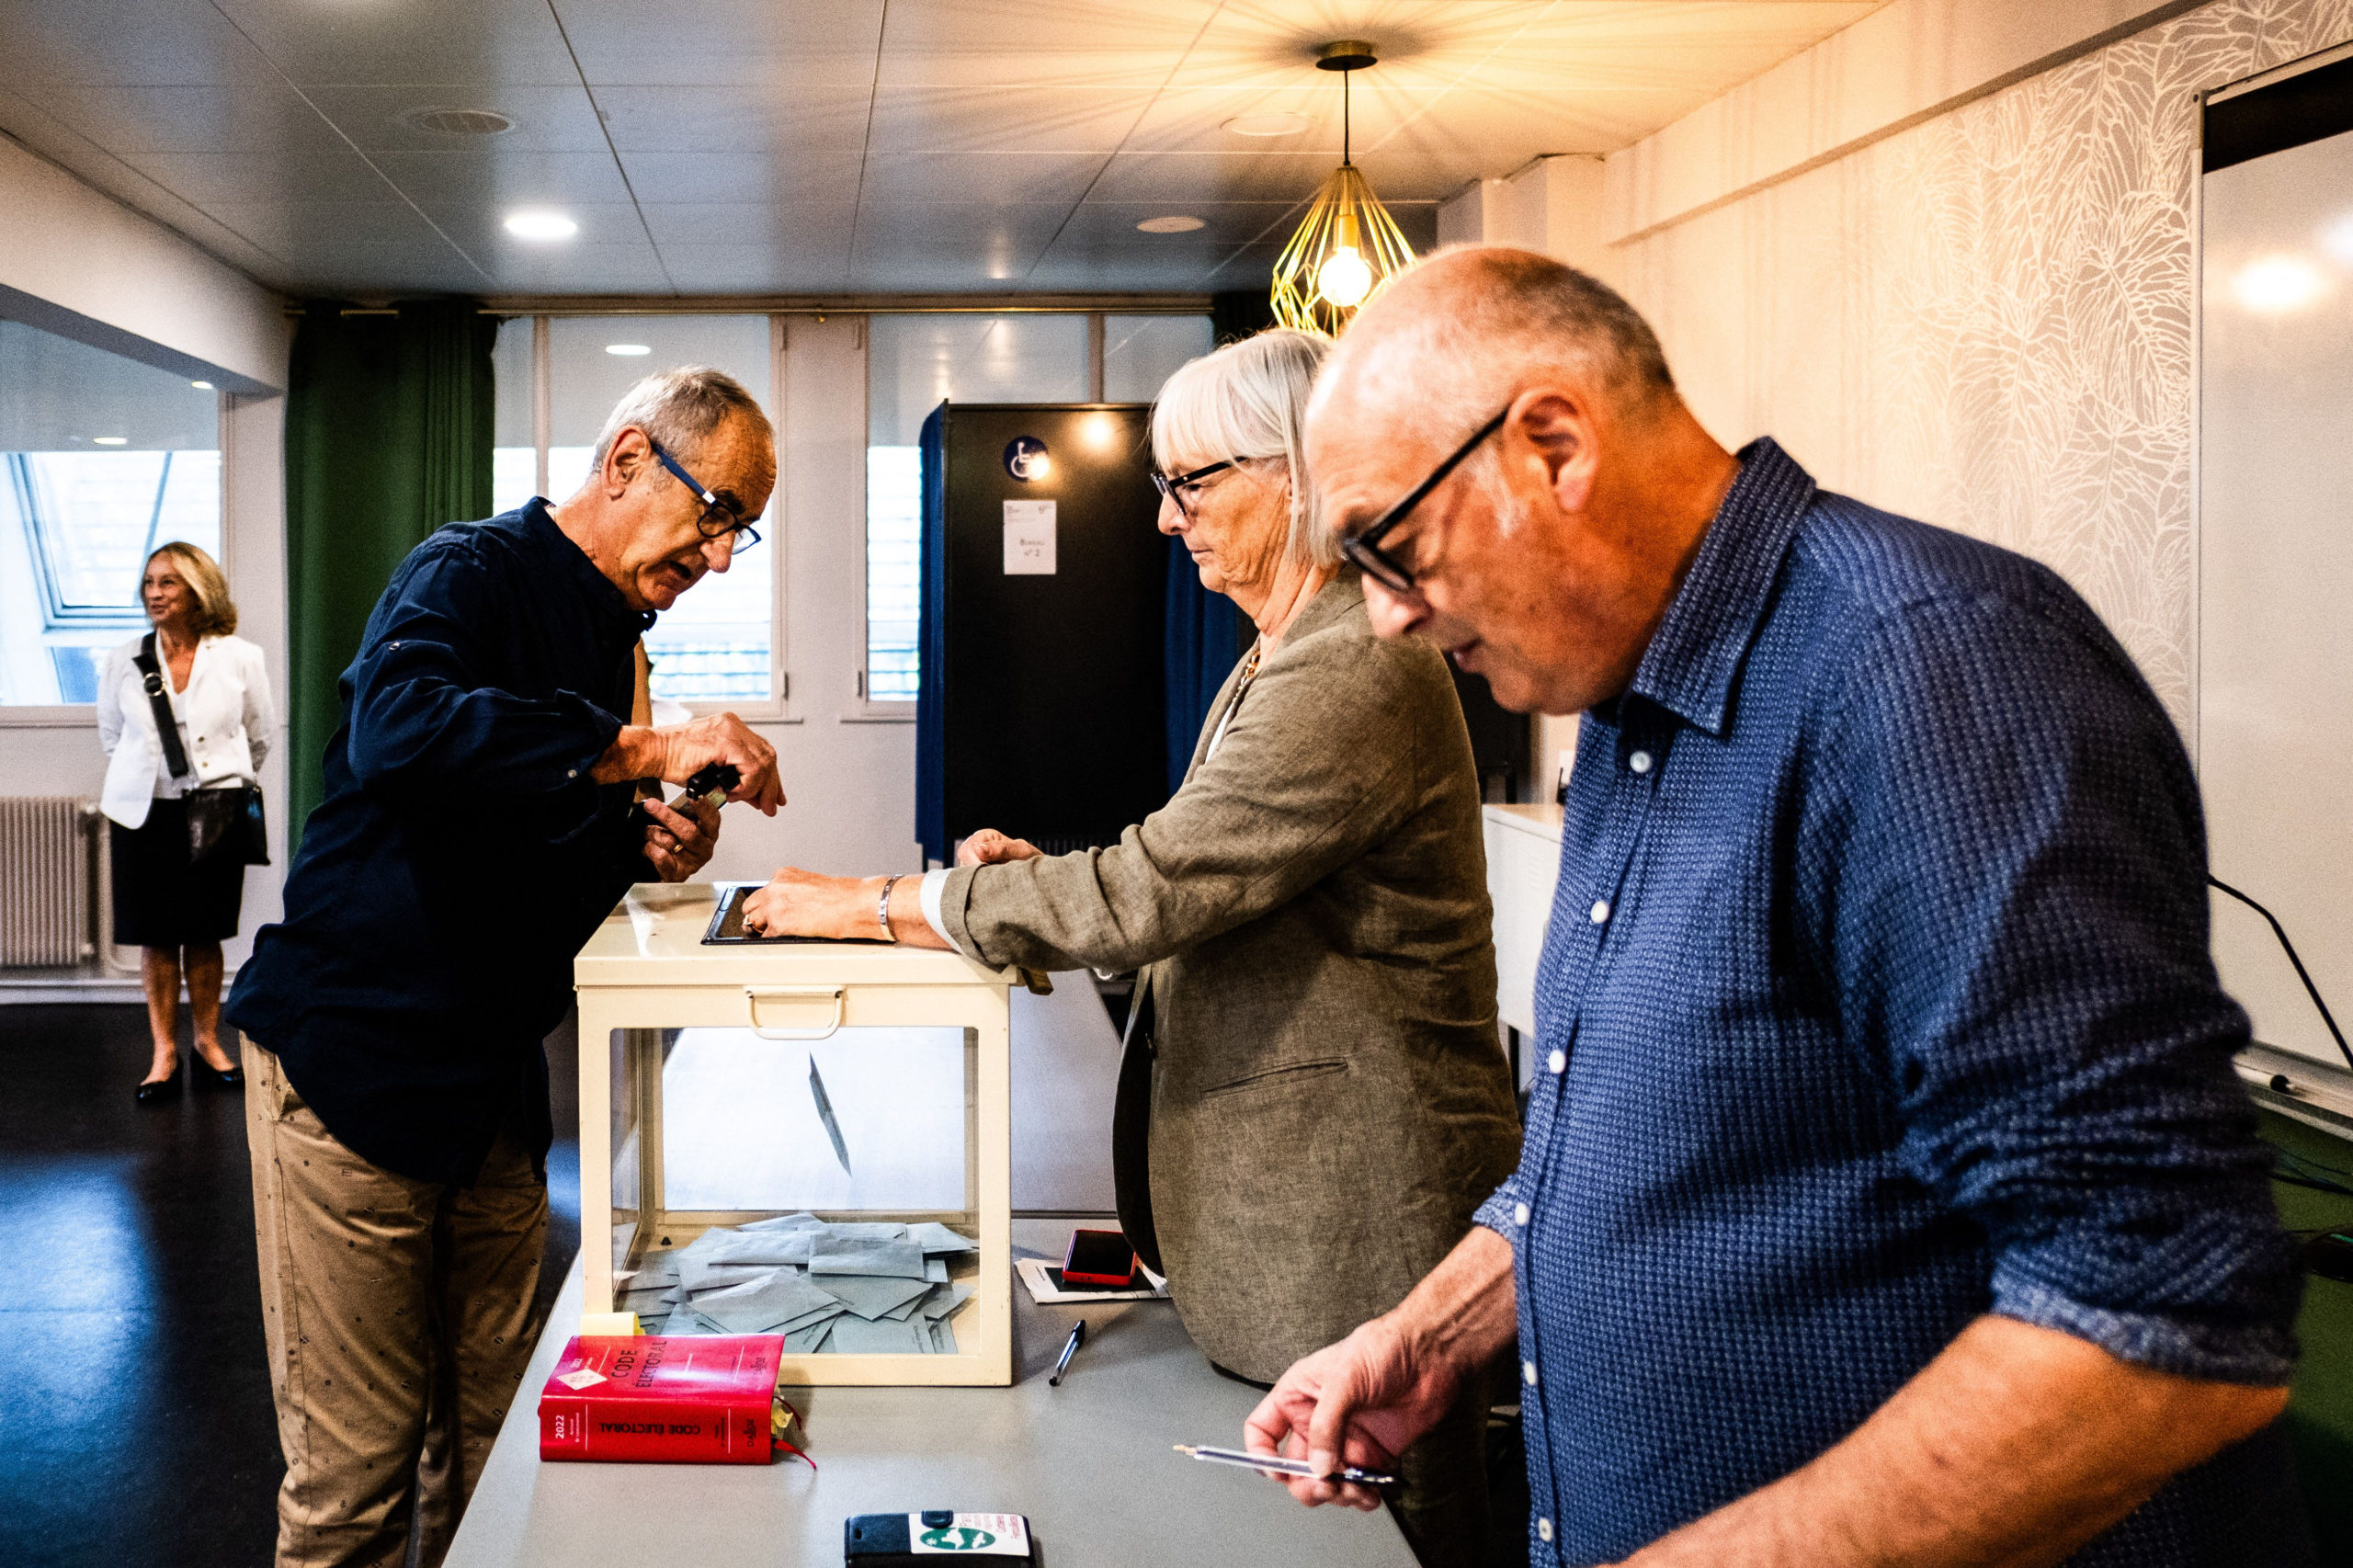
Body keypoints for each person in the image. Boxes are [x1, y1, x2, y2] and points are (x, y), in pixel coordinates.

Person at [1243, 247, 2315, 1568]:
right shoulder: (1630, 699)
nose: (1392, 619)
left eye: (1393, 551)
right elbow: (1652, 1145)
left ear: (1553, 448)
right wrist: (1433, 1333)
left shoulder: (1929, 677)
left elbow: (2164, 1318)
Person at [738, 328, 1523, 1568]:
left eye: (1191, 485)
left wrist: (893, 902)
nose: (1167, 521)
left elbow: (1158, 885)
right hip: (1280, 1233)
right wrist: (1043, 889)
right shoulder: (1283, 649)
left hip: (1354, 1235)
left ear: (1302, 471)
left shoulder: (1352, 666)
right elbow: (1209, 891)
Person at [223, 367, 787, 1568]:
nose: (725, 556)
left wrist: (653, 835)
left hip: (489, 1091)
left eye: (745, 529)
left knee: (495, 1452)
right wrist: (645, 745)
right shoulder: (467, 570)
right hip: (355, 1069)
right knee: (355, 1483)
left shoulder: (617, 633)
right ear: (629, 457)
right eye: (719, 512)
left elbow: (544, 837)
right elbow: (401, 728)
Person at [97, 541, 277, 1105]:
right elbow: (112, 737)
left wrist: (215, 778)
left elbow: (260, 736)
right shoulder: (123, 659)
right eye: (149, 582)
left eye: (168, 582)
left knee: (204, 931)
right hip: (142, 812)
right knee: (155, 937)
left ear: (200, 590)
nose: (155, 592)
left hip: (215, 811)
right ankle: (163, 1052)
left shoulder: (241, 656)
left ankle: (206, 1041)